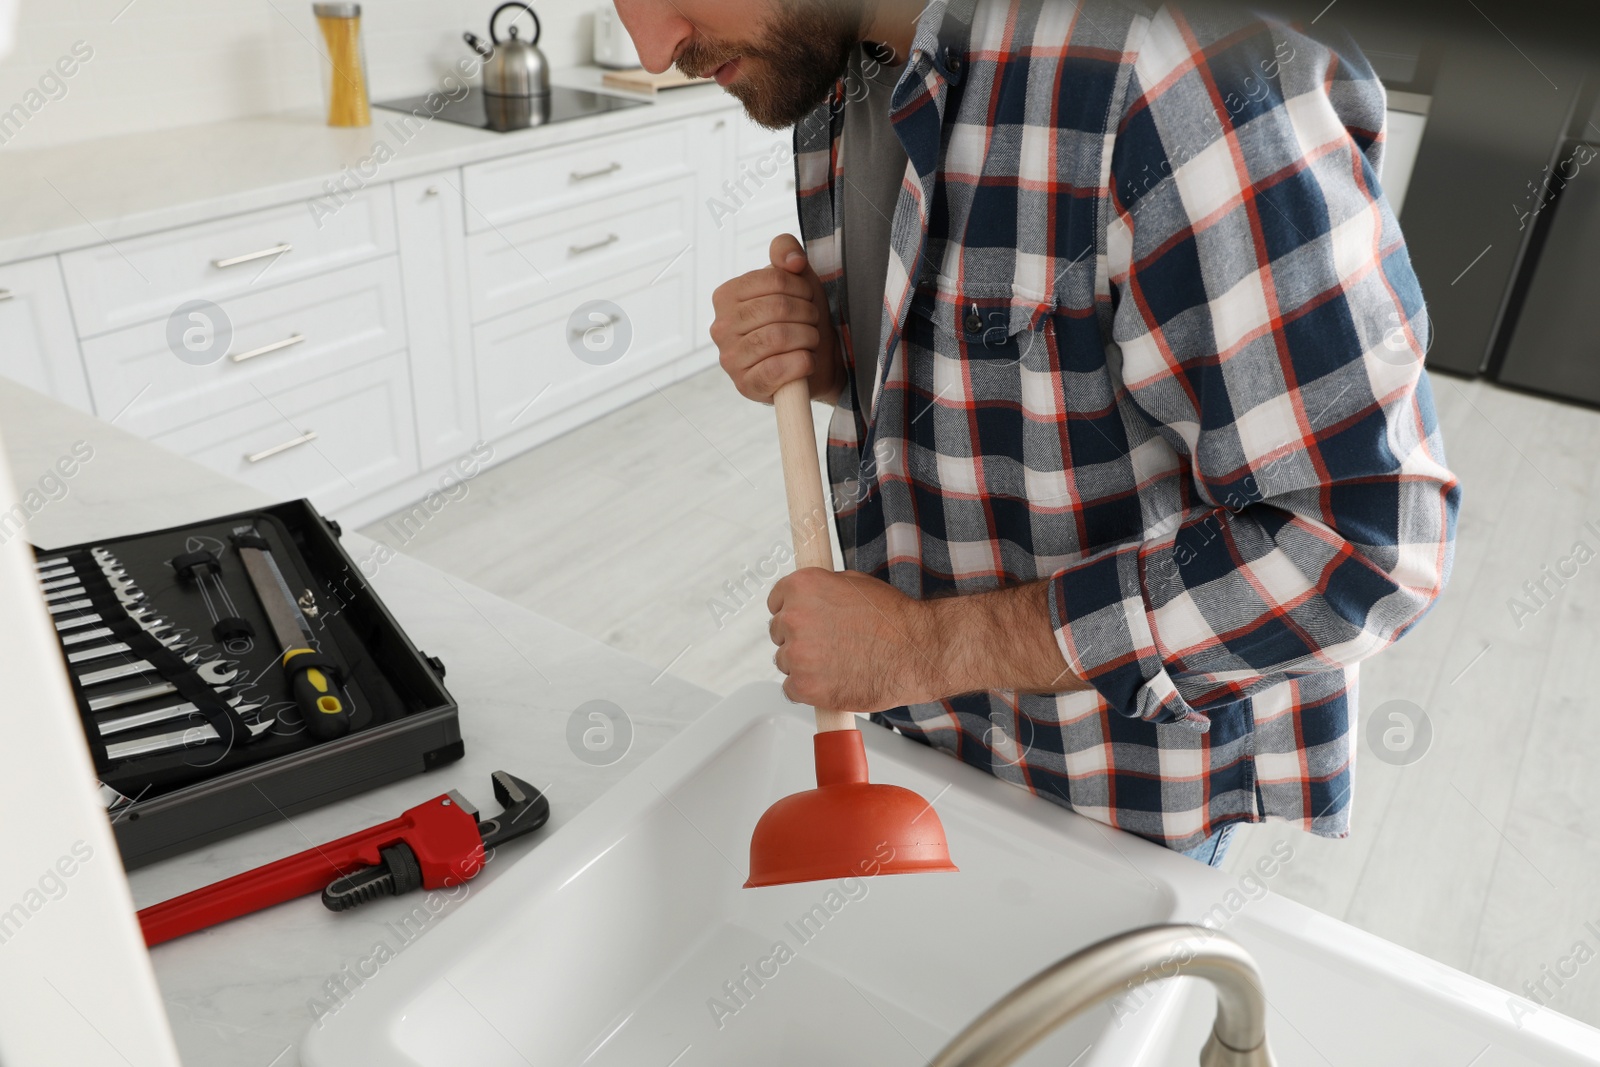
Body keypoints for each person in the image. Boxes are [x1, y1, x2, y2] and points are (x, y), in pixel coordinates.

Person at [615, 0, 1460, 866]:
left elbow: (1361, 550)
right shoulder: (838, 64)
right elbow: (1009, 376)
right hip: (922, 746)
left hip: (1109, 801)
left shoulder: (1173, 70)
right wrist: (833, 361)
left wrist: (928, 647)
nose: (651, 47)